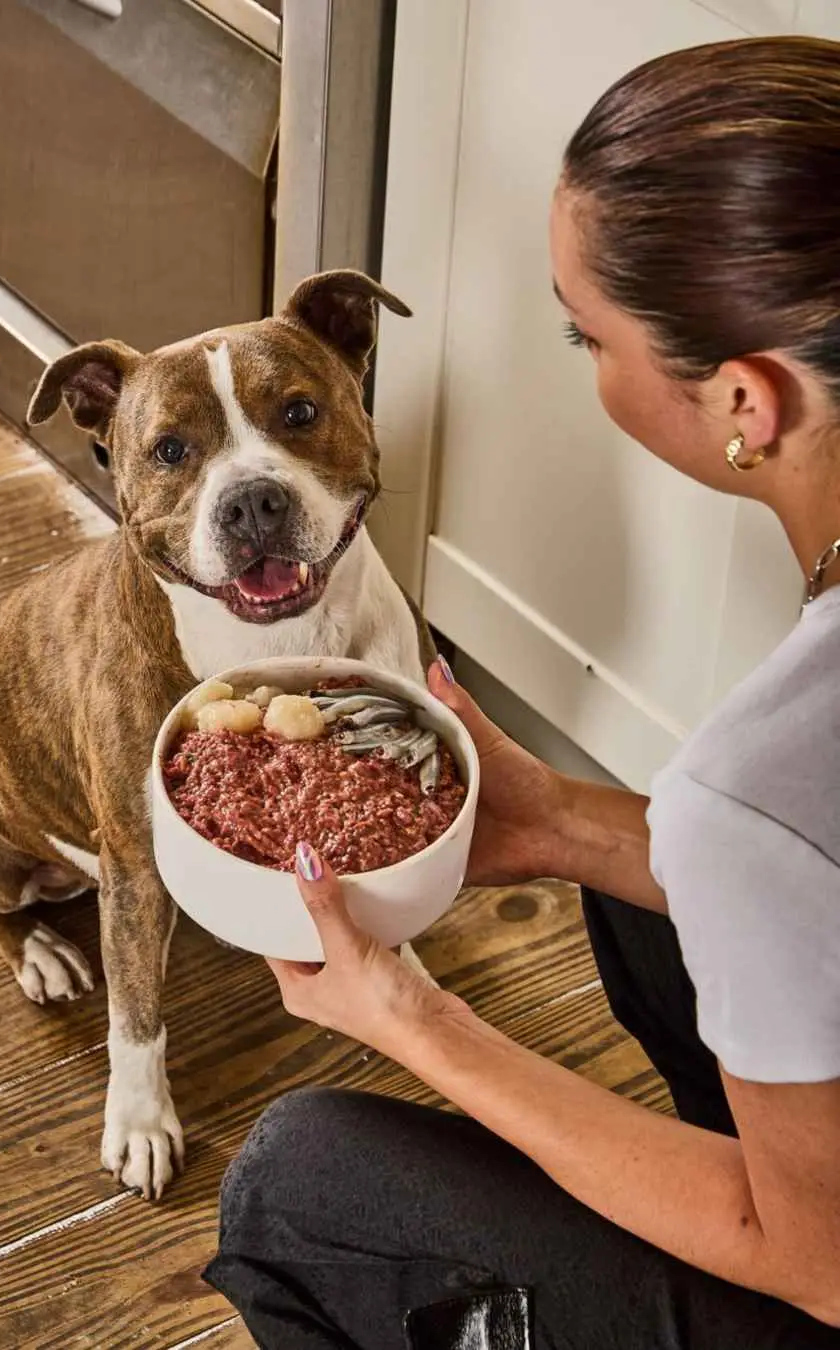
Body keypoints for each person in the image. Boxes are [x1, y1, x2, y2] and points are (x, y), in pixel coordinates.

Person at [202, 35, 840, 1350]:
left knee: (298, 1187)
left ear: (742, 398)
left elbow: (824, 1264)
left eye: (583, 332)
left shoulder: (765, 773)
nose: (581, 363)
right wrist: (553, 822)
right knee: (653, 888)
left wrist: (420, 1021)